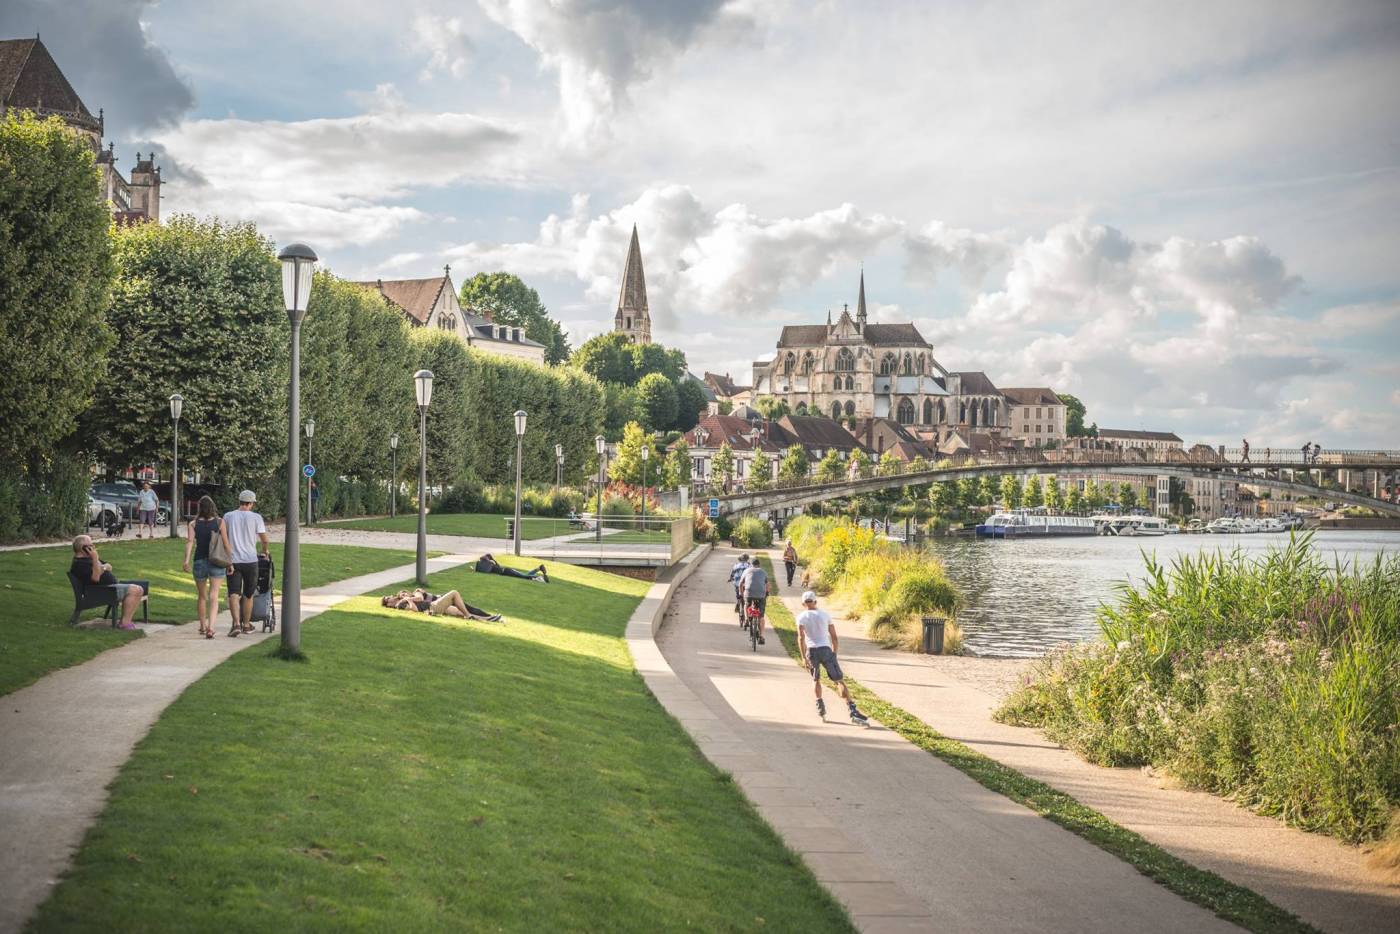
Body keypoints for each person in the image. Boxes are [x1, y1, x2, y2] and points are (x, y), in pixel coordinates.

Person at [796, 591, 869, 725]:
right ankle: (852, 710)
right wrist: (834, 653)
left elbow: (801, 638)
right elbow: (834, 637)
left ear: (803, 603)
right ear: (815, 601)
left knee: (816, 679)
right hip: (825, 649)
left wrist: (803, 657)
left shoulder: (801, 617)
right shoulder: (825, 615)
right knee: (838, 680)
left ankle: (820, 706)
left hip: (811, 651)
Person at [69, 535, 145, 629]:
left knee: (139, 589)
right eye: (91, 545)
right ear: (83, 548)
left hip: (109, 588)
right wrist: (96, 560)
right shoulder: (80, 564)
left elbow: (109, 566)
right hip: (101, 592)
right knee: (136, 590)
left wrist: (102, 567)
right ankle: (125, 623)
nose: (93, 548)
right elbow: (96, 578)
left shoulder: (89, 559)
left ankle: (126, 621)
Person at [182, 495, 231, 639]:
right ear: (212, 507)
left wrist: (186, 561)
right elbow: (226, 544)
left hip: (199, 561)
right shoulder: (220, 522)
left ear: (199, 508)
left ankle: (202, 626)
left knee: (202, 596)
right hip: (217, 561)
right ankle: (211, 627)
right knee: (214, 595)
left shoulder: (193, 524)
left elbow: (190, 542)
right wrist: (230, 562)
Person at [222, 490, 269, 637]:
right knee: (248, 594)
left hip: (233, 560)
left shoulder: (228, 516)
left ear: (240, 501)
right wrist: (265, 551)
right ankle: (247, 625)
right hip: (250, 560)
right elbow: (264, 539)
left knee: (233, 593)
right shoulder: (256, 518)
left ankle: (236, 623)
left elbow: (224, 537)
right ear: (251, 503)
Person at [381, 589, 502, 621]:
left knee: (459, 611)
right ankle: (468, 615)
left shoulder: (405, 599)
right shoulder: (400, 604)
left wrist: (409, 598)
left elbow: (419, 598)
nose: (391, 596)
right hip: (432, 607)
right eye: (388, 598)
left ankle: (490, 619)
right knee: (454, 593)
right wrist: (409, 600)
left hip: (433, 604)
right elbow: (414, 610)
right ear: (388, 603)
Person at [739, 555, 770, 645]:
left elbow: (741, 583)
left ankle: (747, 620)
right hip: (761, 595)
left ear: (751, 565)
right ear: (759, 565)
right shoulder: (763, 571)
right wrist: (767, 593)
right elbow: (768, 584)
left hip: (749, 593)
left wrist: (741, 593)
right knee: (761, 616)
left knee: (746, 604)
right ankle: (762, 636)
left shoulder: (747, 570)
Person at [474, 553, 548, 582]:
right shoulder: (492, 562)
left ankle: (540, 577)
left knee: (524, 576)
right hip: (506, 571)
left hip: (507, 571)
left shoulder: (490, 563)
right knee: (524, 575)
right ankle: (539, 569)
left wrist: (489, 560)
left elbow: (486, 570)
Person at [728, 553, 750, 618]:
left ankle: (738, 601)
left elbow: (732, 574)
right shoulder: (749, 565)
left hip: (738, 584)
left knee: (738, 592)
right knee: (747, 595)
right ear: (747, 559)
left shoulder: (736, 565)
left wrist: (730, 579)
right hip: (746, 584)